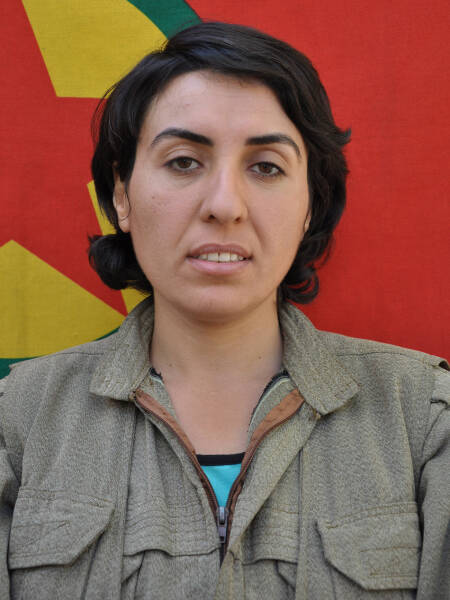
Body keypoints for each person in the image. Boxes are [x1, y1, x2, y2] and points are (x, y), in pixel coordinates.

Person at [0, 21, 448, 600]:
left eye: (266, 167)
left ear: (311, 205)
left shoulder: (424, 421)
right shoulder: (18, 424)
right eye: (184, 161)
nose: (224, 205)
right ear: (121, 194)